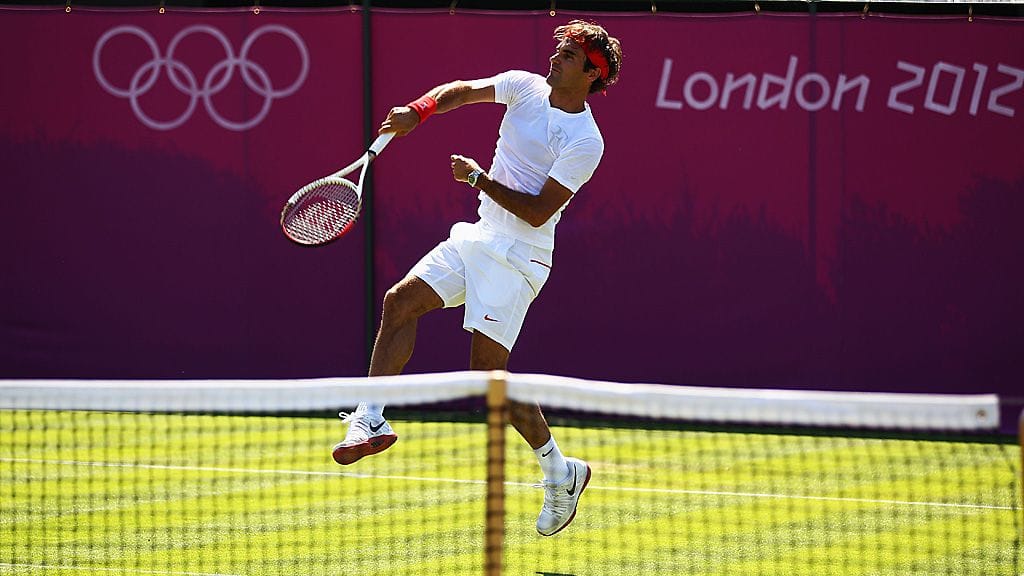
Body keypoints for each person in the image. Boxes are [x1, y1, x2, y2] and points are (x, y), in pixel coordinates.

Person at [332, 20, 622, 537]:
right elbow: (463, 91)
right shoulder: (523, 86)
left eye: (568, 56)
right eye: (558, 50)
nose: (555, 58)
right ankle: (370, 415)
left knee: (487, 374)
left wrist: (477, 179)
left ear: (591, 75)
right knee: (399, 302)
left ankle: (560, 471)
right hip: (479, 236)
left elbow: (538, 211)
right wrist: (419, 110)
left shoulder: (586, 141)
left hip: (520, 256)